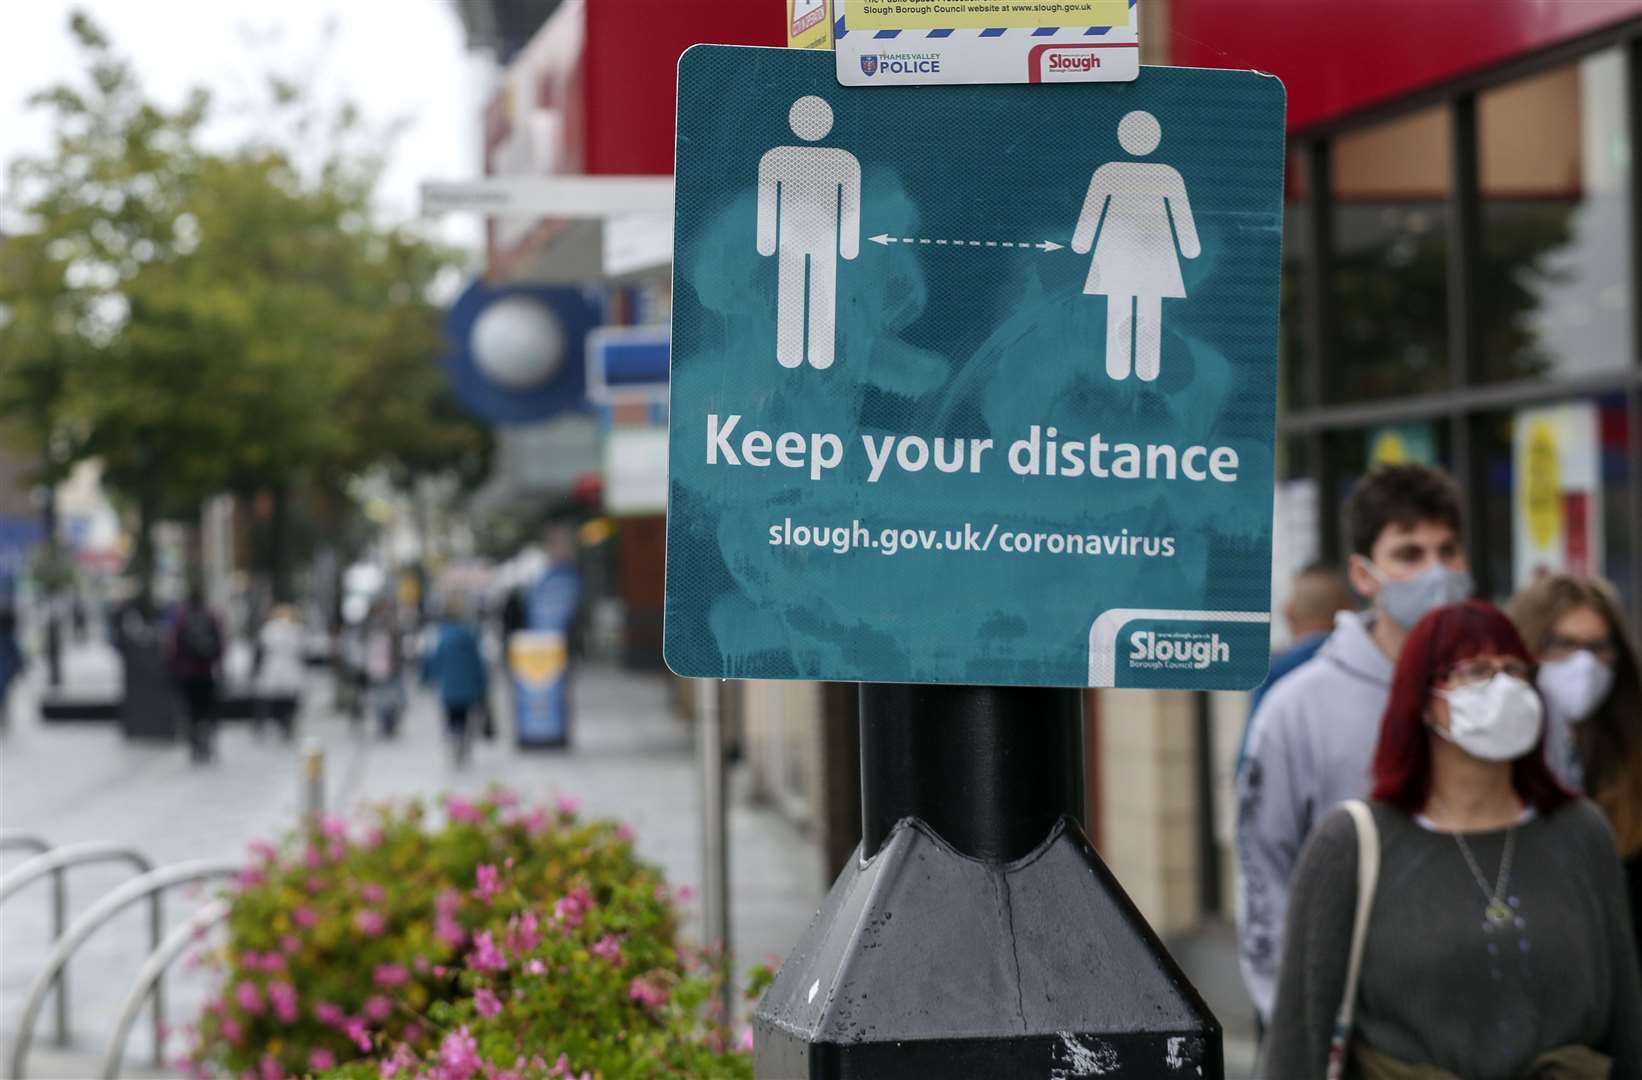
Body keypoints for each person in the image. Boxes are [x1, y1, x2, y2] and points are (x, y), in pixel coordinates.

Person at [1266, 601, 1642, 1078]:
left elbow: (1628, 1023)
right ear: (1424, 701)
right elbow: (1298, 1041)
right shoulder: (1352, 843)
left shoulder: (1581, 831)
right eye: (1476, 671)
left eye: (1514, 670)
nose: (1502, 687)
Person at [1237, 464, 1471, 1024]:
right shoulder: (1298, 708)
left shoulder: (1499, 689)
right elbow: (1264, 874)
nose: (1436, 572)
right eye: (1410, 555)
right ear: (1364, 575)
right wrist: (1297, 1018)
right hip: (1347, 1025)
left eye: (1449, 550)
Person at [1508, 574, 1642, 956]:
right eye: (1563, 644)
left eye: (1599, 647)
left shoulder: (1628, 751)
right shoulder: (1503, 756)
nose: (1584, 663)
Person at [1239, 563, 1356, 765]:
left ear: (1288, 613)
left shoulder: (1271, 672)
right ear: (1348, 611)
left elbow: (1251, 758)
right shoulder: (1360, 664)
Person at [423, 596, 487, 767]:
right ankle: (462, 744)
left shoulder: (442, 638)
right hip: (467, 688)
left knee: (451, 718)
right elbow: (478, 663)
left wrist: (427, 678)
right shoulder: (471, 636)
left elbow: (433, 661)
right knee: (465, 718)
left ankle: (454, 741)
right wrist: (482, 683)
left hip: (449, 687)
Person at [167, 586, 224, 763]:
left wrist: (172, 668)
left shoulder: (181, 617)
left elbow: (173, 645)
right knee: (207, 708)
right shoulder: (211, 616)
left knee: (190, 709)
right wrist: (219, 665)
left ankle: (195, 744)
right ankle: (206, 738)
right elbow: (220, 644)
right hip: (206, 671)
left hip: (186, 672)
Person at [252, 604, 305, 740]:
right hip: (289, 670)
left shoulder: (269, 630)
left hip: (273, 670)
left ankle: (279, 723)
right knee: (288, 701)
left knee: (274, 701)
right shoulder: (296, 630)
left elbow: (260, 651)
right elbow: (302, 651)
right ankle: (286, 724)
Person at [362, 600, 405, 738]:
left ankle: (387, 724)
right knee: (386, 699)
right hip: (382, 670)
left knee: (385, 699)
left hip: (382, 670)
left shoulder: (372, 628)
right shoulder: (390, 627)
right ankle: (387, 724)